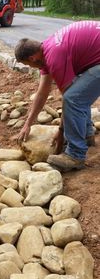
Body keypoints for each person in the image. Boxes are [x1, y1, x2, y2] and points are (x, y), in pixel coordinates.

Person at [15, 20, 100, 172]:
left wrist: (61, 133)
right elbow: (42, 93)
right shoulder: (46, 50)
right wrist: (28, 123)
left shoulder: (54, 56)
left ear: (32, 59)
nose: (30, 68)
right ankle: (86, 136)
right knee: (78, 93)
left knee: (73, 98)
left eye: (28, 65)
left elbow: (68, 99)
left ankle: (75, 155)